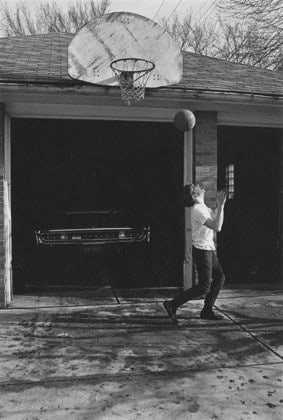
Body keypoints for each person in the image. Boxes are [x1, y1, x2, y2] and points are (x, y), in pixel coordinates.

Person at [163, 183, 226, 324]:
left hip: (208, 248)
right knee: (204, 287)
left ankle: (207, 311)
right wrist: (221, 206)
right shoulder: (198, 210)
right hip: (203, 251)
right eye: (196, 186)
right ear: (194, 195)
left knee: (219, 278)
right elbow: (217, 227)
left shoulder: (202, 207)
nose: (199, 185)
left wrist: (219, 206)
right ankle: (172, 304)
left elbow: (216, 220)